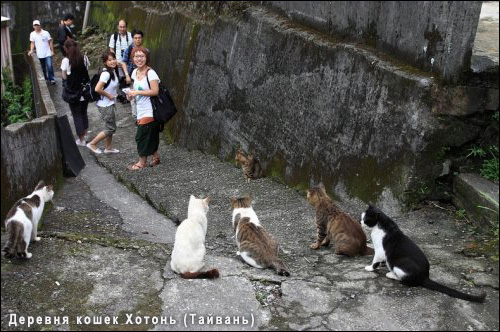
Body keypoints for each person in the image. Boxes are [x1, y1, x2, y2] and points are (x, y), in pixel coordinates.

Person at [125, 47, 160, 170]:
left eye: (142, 56)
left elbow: (155, 91)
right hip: (139, 108)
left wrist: (138, 93)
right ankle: (155, 157)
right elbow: (136, 90)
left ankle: (142, 162)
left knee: (141, 136)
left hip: (150, 109)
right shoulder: (134, 72)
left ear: (147, 58)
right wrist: (131, 95)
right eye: (136, 56)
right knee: (150, 134)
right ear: (132, 59)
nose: (139, 59)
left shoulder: (150, 73)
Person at [86, 52, 120, 155]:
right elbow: (97, 89)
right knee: (111, 128)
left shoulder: (112, 71)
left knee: (110, 125)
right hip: (105, 105)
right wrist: (109, 96)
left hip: (109, 103)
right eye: (109, 60)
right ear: (105, 62)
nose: (112, 61)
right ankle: (92, 143)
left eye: (113, 59)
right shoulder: (106, 74)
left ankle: (108, 148)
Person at [61, 39, 90, 147]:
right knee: (83, 112)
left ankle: (81, 139)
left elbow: (64, 76)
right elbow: (86, 72)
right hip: (84, 91)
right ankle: (85, 133)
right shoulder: (85, 58)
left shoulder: (66, 61)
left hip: (73, 93)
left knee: (76, 115)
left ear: (66, 48)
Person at [121, 30, 149, 116]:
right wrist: (126, 75)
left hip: (143, 77)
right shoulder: (128, 49)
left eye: (139, 38)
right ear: (132, 38)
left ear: (142, 38)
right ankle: (135, 116)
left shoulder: (146, 51)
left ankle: (142, 115)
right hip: (132, 77)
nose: (137, 40)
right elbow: (123, 62)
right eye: (135, 38)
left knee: (143, 96)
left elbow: (148, 63)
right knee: (133, 97)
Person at [28, 20, 56, 85]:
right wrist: (31, 50)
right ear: (33, 26)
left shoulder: (46, 33)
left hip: (47, 53)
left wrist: (52, 51)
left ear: (40, 25)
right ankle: (45, 79)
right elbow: (32, 43)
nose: (36, 26)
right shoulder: (32, 34)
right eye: (35, 25)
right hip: (39, 54)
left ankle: (52, 79)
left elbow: (50, 41)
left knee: (49, 66)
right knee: (42, 67)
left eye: (37, 25)